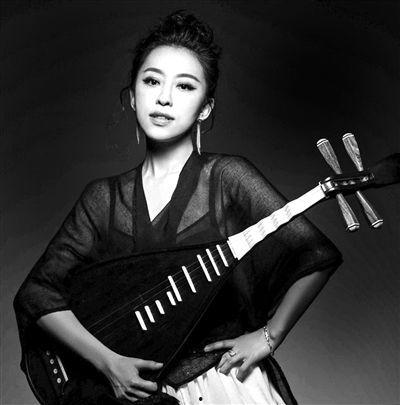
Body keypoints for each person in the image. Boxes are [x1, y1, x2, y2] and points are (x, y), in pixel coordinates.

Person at [14, 10, 342, 405]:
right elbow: (38, 294)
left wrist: (269, 336)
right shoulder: (103, 199)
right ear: (132, 96)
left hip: (225, 386)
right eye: (152, 81)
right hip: (137, 396)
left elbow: (316, 253)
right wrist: (109, 363)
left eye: (185, 86)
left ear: (205, 108)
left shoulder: (227, 178)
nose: (164, 97)